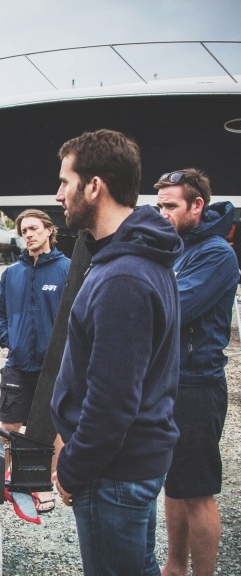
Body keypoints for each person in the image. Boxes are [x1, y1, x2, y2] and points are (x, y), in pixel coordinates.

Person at [50, 129, 183, 575]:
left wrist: (73, 467)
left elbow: (113, 400)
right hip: (131, 463)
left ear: (94, 186)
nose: (58, 194)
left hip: (113, 472)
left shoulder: (123, 276)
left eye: (65, 182)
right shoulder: (133, 258)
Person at [155, 169, 239, 576]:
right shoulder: (179, 247)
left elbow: (174, 308)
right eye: (159, 206)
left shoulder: (216, 254)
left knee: (198, 492)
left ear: (197, 205)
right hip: (170, 382)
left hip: (198, 386)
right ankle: (175, 566)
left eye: (171, 206)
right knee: (174, 483)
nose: (163, 213)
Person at [0, 208, 70, 513]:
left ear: (49, 231)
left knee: (52, 428)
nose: (29, 235)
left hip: (55, 367)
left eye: (34, 229)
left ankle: (48, 484)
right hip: (18, 362)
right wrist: (8, 337)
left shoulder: (67, 270)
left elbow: (79, 315)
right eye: (24, 230)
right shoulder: (12, 273)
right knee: (9, 424)